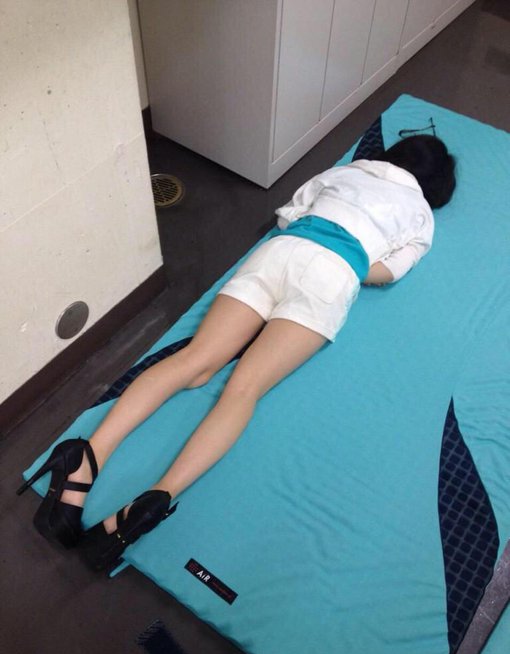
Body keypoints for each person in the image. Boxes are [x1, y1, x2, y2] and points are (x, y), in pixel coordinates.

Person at [17, 134, 456, 570]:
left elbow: (288, 215)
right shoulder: (421, 214)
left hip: (280, 252)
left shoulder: (346, 171)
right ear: (434, 186)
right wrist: (350, 260)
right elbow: (388, 271)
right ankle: (153, 500)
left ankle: (83, 461)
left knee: (193, 363)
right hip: (335, 273)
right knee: (243, 390)